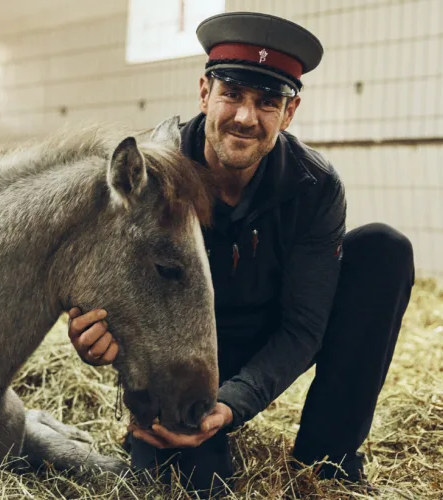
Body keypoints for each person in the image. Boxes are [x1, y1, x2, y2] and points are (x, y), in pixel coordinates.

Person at [66, 11, 415, 496]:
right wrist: (93, 335)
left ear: (289, 114)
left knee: (384, 250)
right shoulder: (149, 176)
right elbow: (113, 283)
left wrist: (234, 402)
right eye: (232, 94)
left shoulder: (313, 186)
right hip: (182, 357)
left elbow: (303, 326)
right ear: (205, 93)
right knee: (192, 486)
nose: (246, 118)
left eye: (268, 102)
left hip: (266, 333)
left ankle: (330, 460)